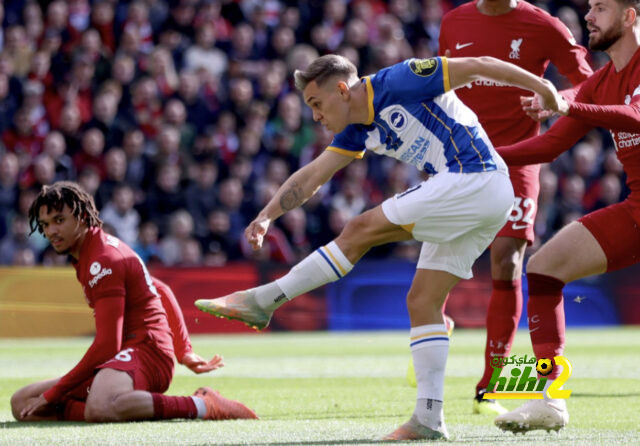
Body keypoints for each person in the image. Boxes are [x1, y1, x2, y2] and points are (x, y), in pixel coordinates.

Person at [196, 53, 566, 440]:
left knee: (359, 229)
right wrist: (268, 215)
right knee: (422, 302)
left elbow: (476, 64)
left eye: (317, 104)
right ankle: (428, 418)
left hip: (476, 177)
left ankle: (265, 300)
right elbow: (313, 177)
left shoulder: (399, 80)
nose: (316, 117)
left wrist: (541, 86)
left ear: (342, 90)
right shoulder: (356, 129)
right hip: (476, 197)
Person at [438, 0, 593, 415]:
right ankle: (433, 333)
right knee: (437, 262)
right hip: (459, 160)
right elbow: (440, 85)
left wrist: (556, 97)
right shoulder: (454, 22)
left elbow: (590, 84)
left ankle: (492, 388)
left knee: (506, 261)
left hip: (517, 162)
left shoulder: (545, 26)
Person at [491, 0, 640, 434]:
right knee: (543, 269)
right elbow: (548, 146)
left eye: (601, 7)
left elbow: (635, 116)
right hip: (637, 208)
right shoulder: (603, 82)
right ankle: (549, 400)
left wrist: (566, 103)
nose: (589, 16)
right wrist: (483, 159)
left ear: (630, 15)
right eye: (589, 7)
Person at [11, 181, 258, 423]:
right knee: (22, 402)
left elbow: (107, 345)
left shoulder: (104, 258)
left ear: (82, 216)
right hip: (123, 356)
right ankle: (106, 406)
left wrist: (54, 394)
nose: (51, 231)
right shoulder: (88, 253)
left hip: (148, 351)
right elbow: (160, 289)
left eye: (59, 220)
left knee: (98, 404)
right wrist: (184, 351)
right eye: (45, 224)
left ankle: (204, 404)